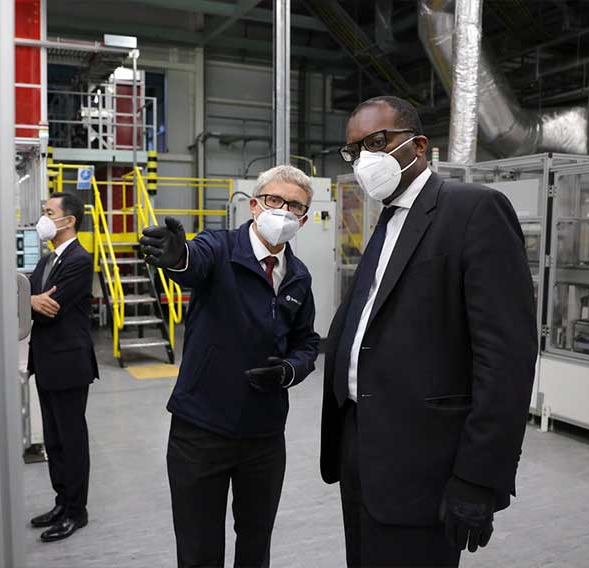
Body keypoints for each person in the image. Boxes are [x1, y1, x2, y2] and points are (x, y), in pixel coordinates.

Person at [321, 96, 538, 567]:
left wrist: (479, 479)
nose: (364, 160)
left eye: (377, 143)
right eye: (354, 151)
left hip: (424, 463)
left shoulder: (474, 210)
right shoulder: (388, 220)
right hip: (362, 447)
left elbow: (507, 359)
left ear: (418, 146)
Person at [139, 165, 321, 568]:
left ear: (304, 219)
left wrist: (290, 370)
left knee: (256, 545)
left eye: (295, 206)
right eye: (275, 201)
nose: (284, 211)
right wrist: (177, 257)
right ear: (255, 206)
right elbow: (193, 262)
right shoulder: (218, 248)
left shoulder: (299, 277)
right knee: (199, 548)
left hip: (265, 435)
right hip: (200, 430)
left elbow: (306, 341)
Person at [27, 191, 98, 542]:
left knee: (71, 441)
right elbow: (30, 297)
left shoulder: (79, 260)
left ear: (68, 220)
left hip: (69, 364)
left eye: (48, 212)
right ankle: (61, 502)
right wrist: (29, 299)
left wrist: (33, 301)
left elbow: (49, 307)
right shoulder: (47, 260)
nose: (43, 218)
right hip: (47, 362)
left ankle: (76, 511)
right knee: (53, 441)